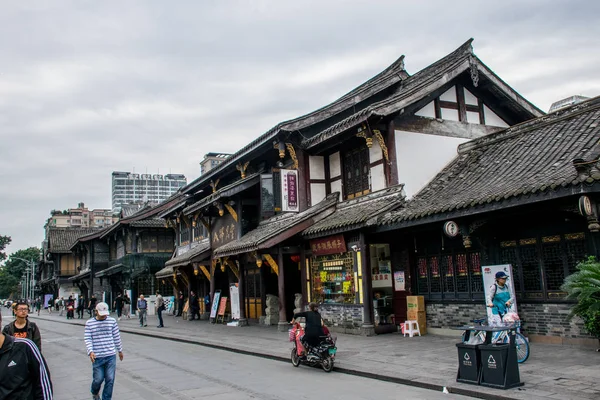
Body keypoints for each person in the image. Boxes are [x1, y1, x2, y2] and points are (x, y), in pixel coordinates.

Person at [0, 308, 53, 399]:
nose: (23, 311)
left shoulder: (26, 347)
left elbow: (43, 388)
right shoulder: (9, 327)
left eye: (25, 309)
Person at [84, 302, 124, 400]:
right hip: (97, 357)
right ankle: (94, 391)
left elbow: (116, 336)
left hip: (110, 355)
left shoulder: (112, 321)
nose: (104, 316)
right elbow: (88, 338)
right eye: (101, 314)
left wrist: (120, 350)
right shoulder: (89, 323)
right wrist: (90, 351)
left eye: (105, 314)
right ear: (96, 312)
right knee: (98, 379)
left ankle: (106, 398)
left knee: (110, 379)